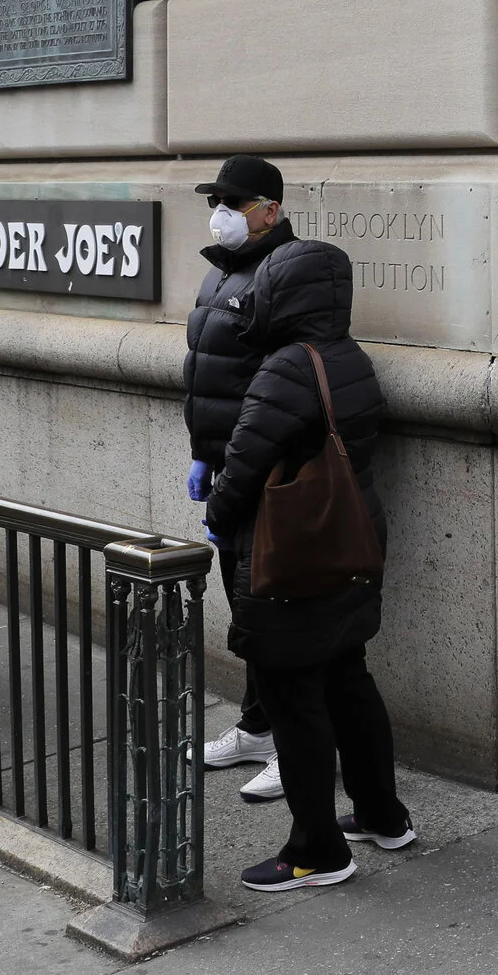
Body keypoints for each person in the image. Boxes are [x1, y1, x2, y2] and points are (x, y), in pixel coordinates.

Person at [204, 236, 413, 893]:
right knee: (348, 676)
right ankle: (384, 815)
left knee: (294, 700)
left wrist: (215, 512)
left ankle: (316, 850)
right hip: (349, 546)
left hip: (293, 556)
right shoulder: (346, 356)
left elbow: (240, 470)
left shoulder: (287, 367)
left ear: (282, 295)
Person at [185, 154, 298, 803]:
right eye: (215, 200)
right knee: (244, 601)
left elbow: (280, 385)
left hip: (265, 471)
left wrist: (243, 467)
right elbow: (208, 368)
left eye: (233, 201)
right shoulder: (220, 273)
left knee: (272, 609)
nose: (219, 213)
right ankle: (258, 725)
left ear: (270, 211)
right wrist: (204, 452)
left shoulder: (283, 275)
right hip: (227, 463)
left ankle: (292, 738)